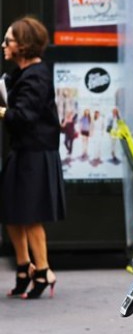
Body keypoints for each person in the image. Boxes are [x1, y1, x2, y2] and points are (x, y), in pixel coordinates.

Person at [0, 16, 66, 299]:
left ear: (23, 45)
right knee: (11, 214)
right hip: (24, 151)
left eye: (8, 40)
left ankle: (43, 270)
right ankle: (24, 266)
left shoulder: (37, 75)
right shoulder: (20, 74)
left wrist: (2, 110)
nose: (3, 45)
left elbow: (24, 117)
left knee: (29, 216)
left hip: (36, 154)